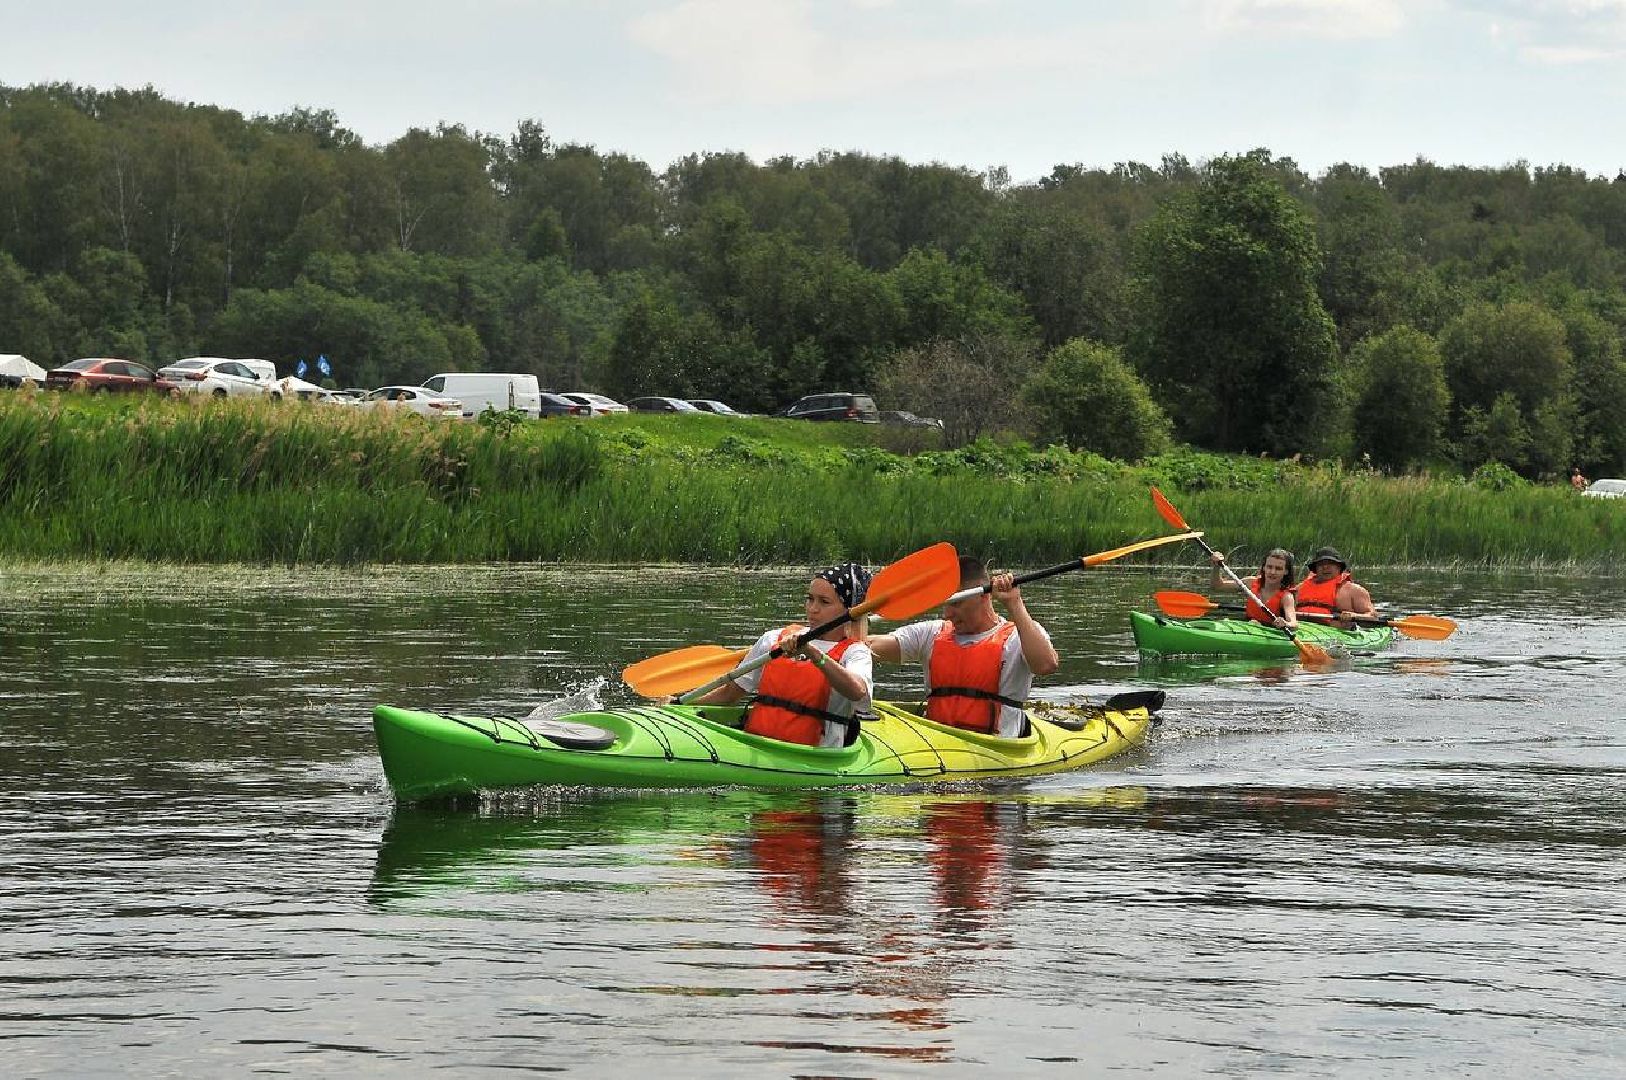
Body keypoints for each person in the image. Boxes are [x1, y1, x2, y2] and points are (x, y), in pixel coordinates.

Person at [866, 556, 1059, 738]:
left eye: (956, 604)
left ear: (984, 596)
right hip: (937, 744)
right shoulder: (930, 634)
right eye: (945, 603)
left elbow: (1046, 665)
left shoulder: (1018, 637)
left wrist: (1014, 603)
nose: (947, 614)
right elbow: (868, 646)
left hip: (996, 750)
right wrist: (857, 615)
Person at [686, 563, 874, 748]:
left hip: (817, 758)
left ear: (849, 611)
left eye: (824, 602)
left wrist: (814, 654)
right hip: (757, 745)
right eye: (810, 599)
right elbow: (729, 694)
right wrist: (682, 705)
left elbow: (857, 692)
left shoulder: (855, 652)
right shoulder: (774, 638)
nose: (812, 608)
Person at [1210, 548, 1298, 630]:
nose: (1272, 572)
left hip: (1269, 631)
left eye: (1278, 569)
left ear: (1286, 571)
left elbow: (1293, 623)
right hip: (1248, 627)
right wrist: (1216, 567)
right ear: (1264, 568)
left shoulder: (1286, 596)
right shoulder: (1250, 583)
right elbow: (1218, 586)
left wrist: (1285, 624)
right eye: (1269, 567)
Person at [1295, 547, 1376, 626]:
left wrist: (1355, 616)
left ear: (1339, 567)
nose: (1325, 567)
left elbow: (1372, 617)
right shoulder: (1298, 589)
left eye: (1330, 563)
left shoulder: (1355, 590)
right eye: (1321, 564)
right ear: (1315, 568)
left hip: (1338, 635)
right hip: (1302, 629)